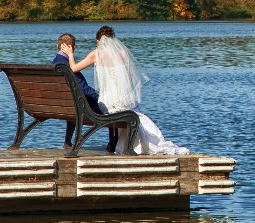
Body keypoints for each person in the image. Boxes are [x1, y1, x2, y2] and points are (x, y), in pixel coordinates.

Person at [88, 25, 189, 155]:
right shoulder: (123, 53)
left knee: (120, 112)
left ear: (98, 41)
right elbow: (130, 77)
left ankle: (118, 143)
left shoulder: (96, 53)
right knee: (134, 113)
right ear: (113, 40)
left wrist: (69, 54)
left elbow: (74, 68)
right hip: (124, 98)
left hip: (108, 101)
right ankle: (129, 143)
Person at [52, 32, 104, 114]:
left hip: (63, 106)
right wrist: (100, 97)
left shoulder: (54, 63)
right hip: (82, 108)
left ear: (57, 46)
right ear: (73, 47)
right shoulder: (65, 66)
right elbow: (83, 88)